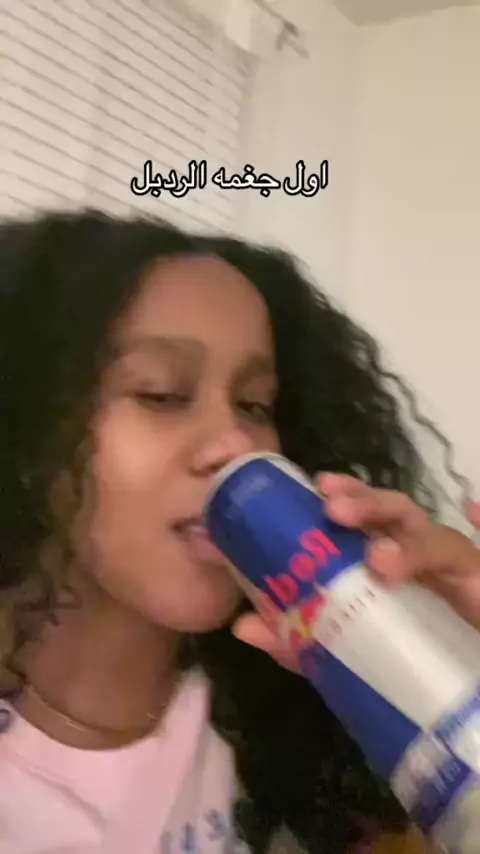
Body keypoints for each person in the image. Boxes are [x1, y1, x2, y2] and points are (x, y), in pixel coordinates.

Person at [0, 210, 478, 854]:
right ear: (26, 423)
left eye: (255, 405)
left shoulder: (307, 730)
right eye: (162, 394)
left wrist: (447, 656)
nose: (235, 443)